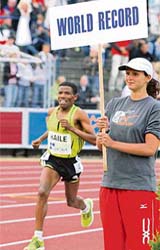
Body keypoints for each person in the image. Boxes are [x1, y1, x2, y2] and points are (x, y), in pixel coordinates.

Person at [96, 57, 160, 250]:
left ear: (148, 77)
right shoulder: (115, 104)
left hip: (138, 187)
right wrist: (101, 137)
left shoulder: (154, 107)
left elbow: (150, 148)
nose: (130, 77)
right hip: (109, 185)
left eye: (135, 74)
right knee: (113, 244)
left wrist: (113, 142)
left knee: (140, 245)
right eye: (128, 73)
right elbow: (103, 147)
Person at [24, 81, 96, 250]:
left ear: (74, 97)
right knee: (42, 192)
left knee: (71, 201)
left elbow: (94, 140)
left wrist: (72, 128)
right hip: (53, 159)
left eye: (67, 93)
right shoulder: (52, 112)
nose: (63, 96)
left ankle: (86, 207)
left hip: (70, 161)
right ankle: (38, 239)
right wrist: (40, 140)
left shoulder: (79, 115)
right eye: (60, 93)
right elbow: (53, 129)